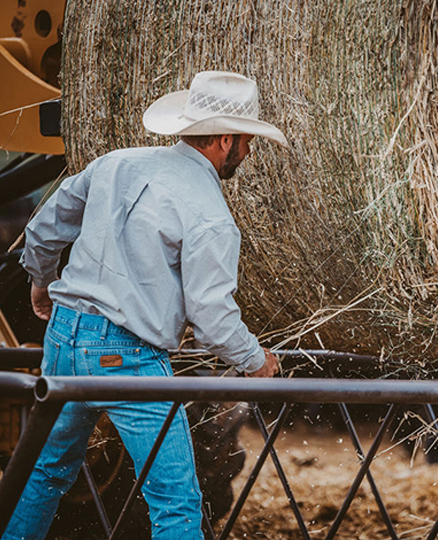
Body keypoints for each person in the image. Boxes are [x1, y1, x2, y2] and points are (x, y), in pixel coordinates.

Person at [3, 71, 286, 540]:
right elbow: (212, 317)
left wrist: (41, 282)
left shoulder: (115, 163)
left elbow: (43, 229)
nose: (248, 153)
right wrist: (256, 361)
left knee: (44, 474)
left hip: (65, 341)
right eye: (246, 142)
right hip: (126, 358)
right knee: (176, 503)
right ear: (224, 139)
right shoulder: (212, 216)